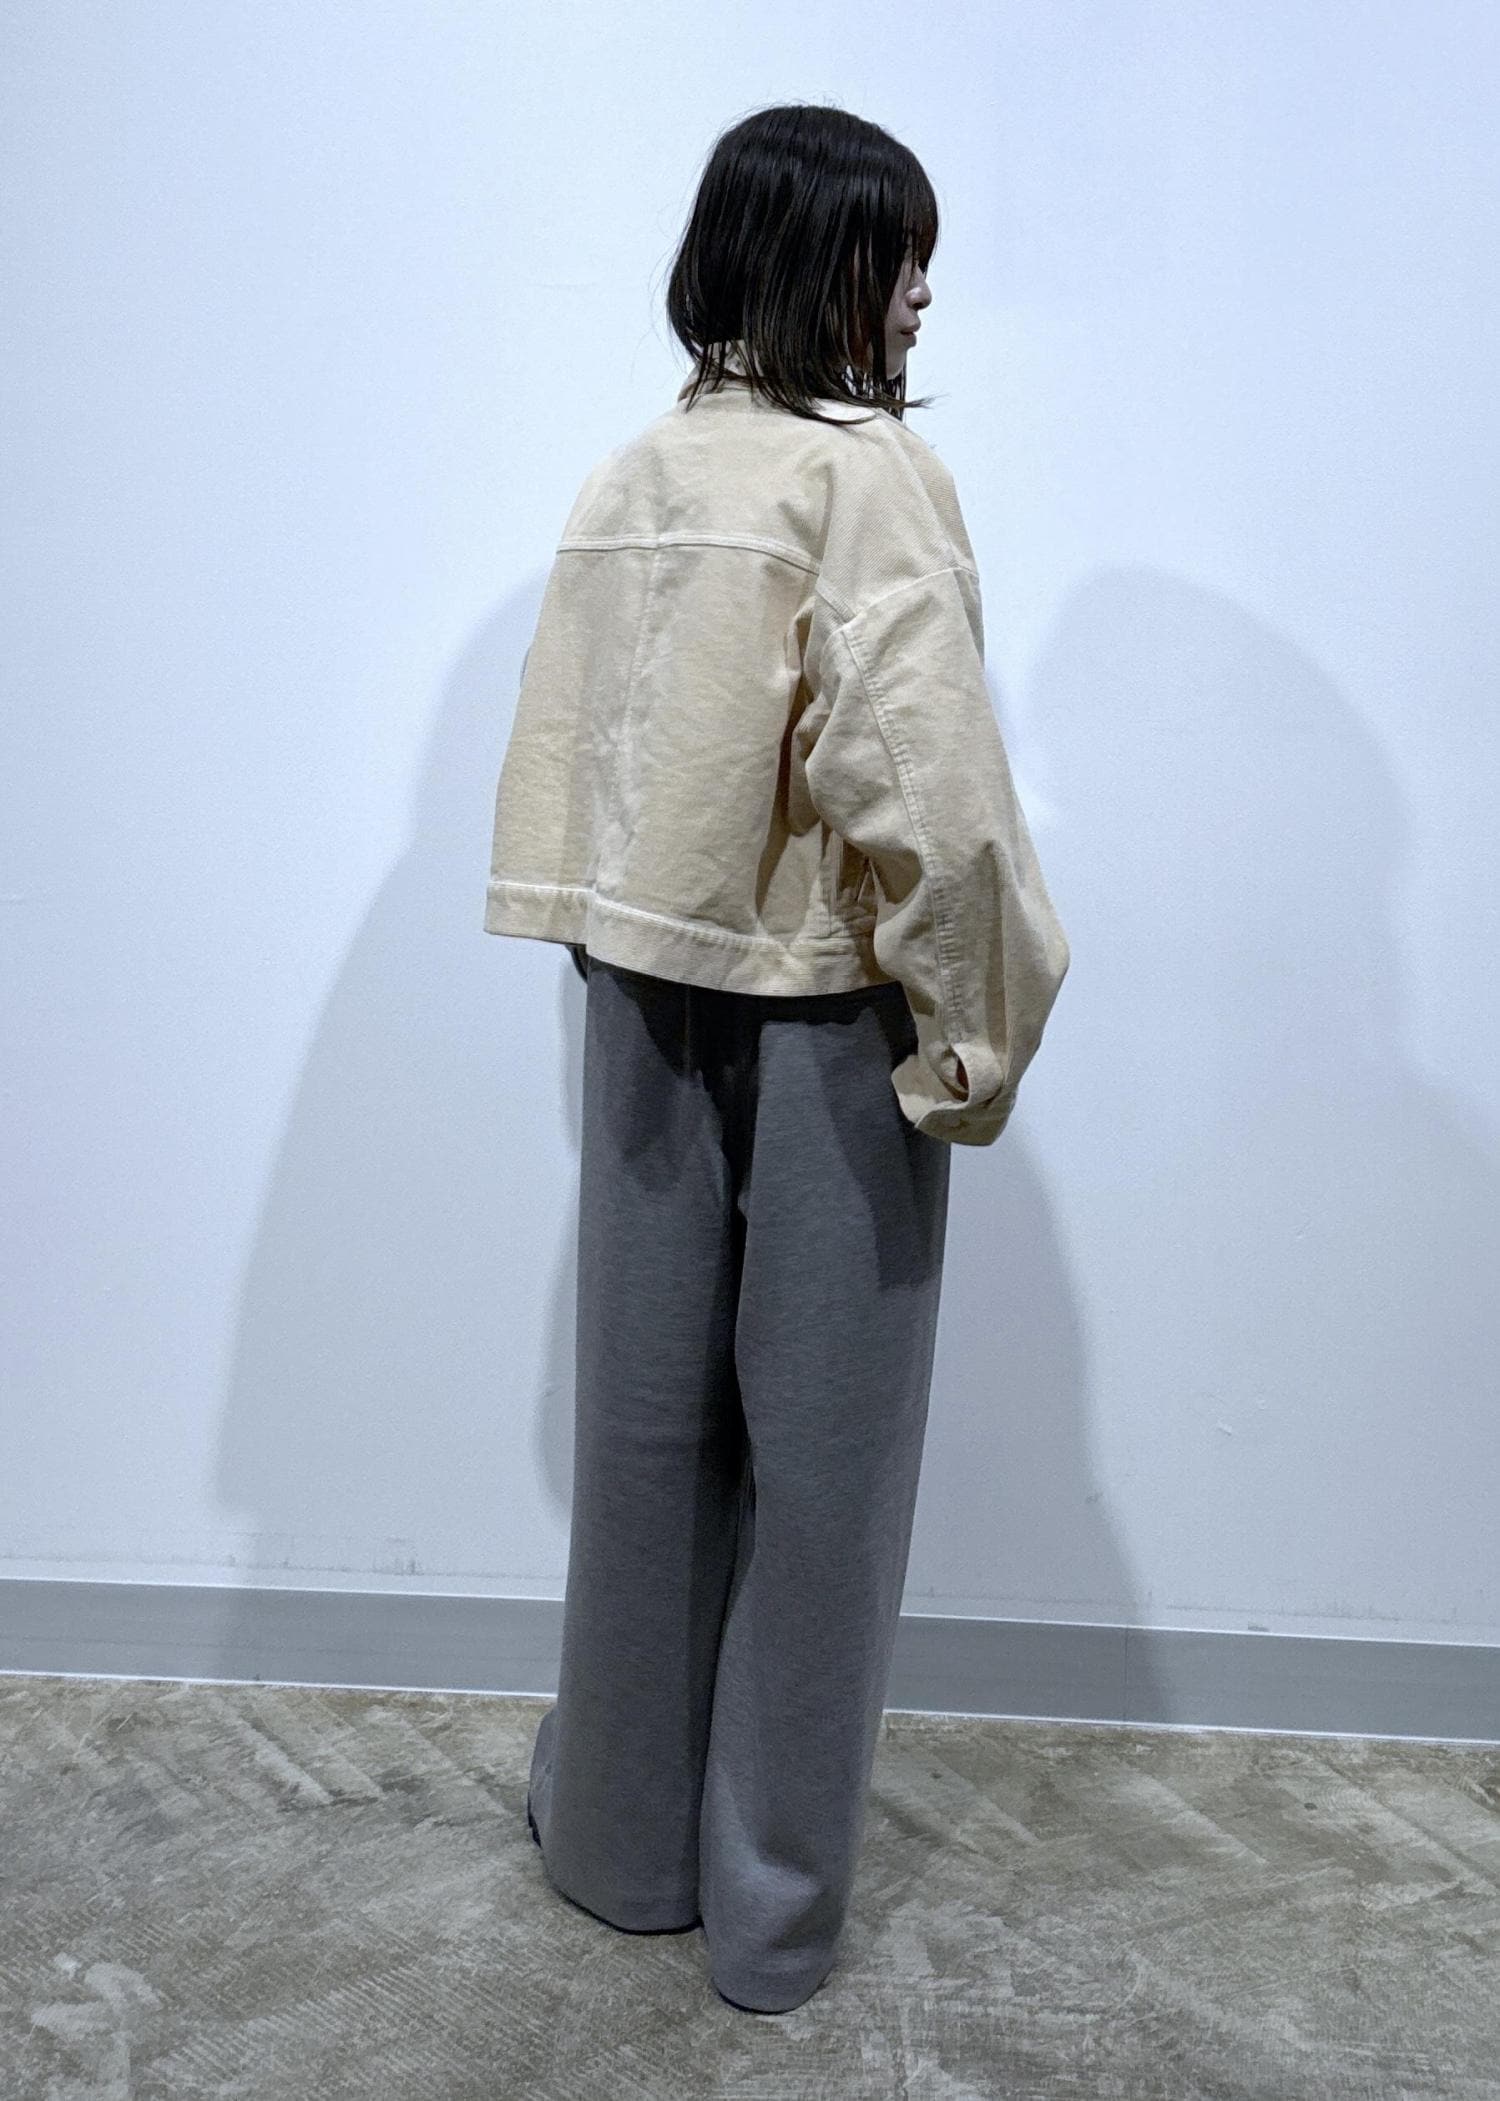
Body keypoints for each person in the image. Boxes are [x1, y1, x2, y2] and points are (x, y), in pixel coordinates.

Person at [483, 102, 1070, 2015]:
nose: (922, 294)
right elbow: (930, 794)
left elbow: (587, 763)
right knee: (825, 1477)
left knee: (645, 1442)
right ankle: (772, 1917)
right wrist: (978, 1035)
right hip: (825, 1010)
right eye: (902, 253)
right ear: (822, 259)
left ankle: (618, 1850)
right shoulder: (867, 478)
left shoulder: (632, 473)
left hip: (640, 1007)